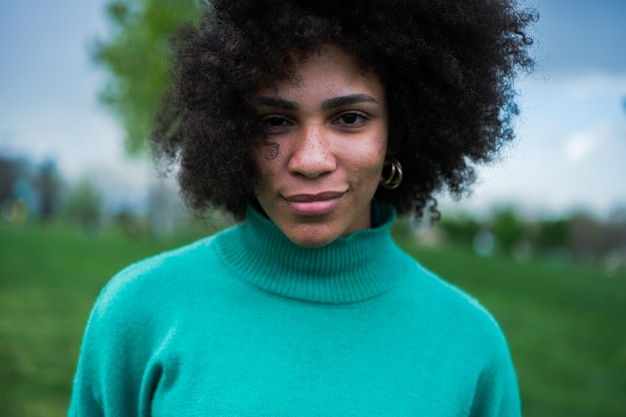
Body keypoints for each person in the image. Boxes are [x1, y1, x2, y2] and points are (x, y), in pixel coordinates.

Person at [69, 0, 535, 415]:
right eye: (275, 121)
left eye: (350, 118)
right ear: (232, 133)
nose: (311, 159)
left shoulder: (471, 344)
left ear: (399, 131)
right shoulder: (137, 311)